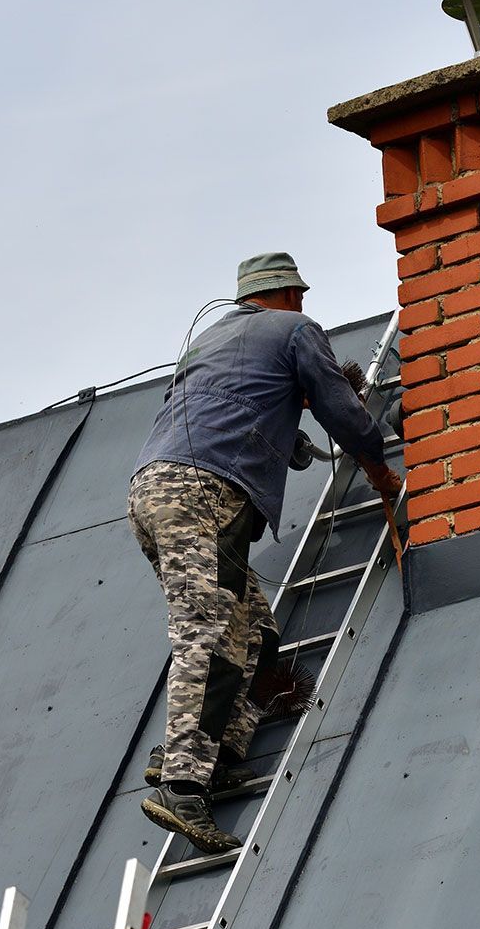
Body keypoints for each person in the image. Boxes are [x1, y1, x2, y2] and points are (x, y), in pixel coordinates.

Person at [129, 252, 402, 852]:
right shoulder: (295, 330)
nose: (305, 304)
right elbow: (337, 403)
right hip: (203, 491)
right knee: (209, 629)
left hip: (158, 490)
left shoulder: (214, 339)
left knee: (251, 630)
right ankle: (182, 781)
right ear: (283, 294)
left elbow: (228, 410)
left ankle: (218, 750)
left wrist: (287, 438)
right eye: (299, 294)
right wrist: (376, 462)